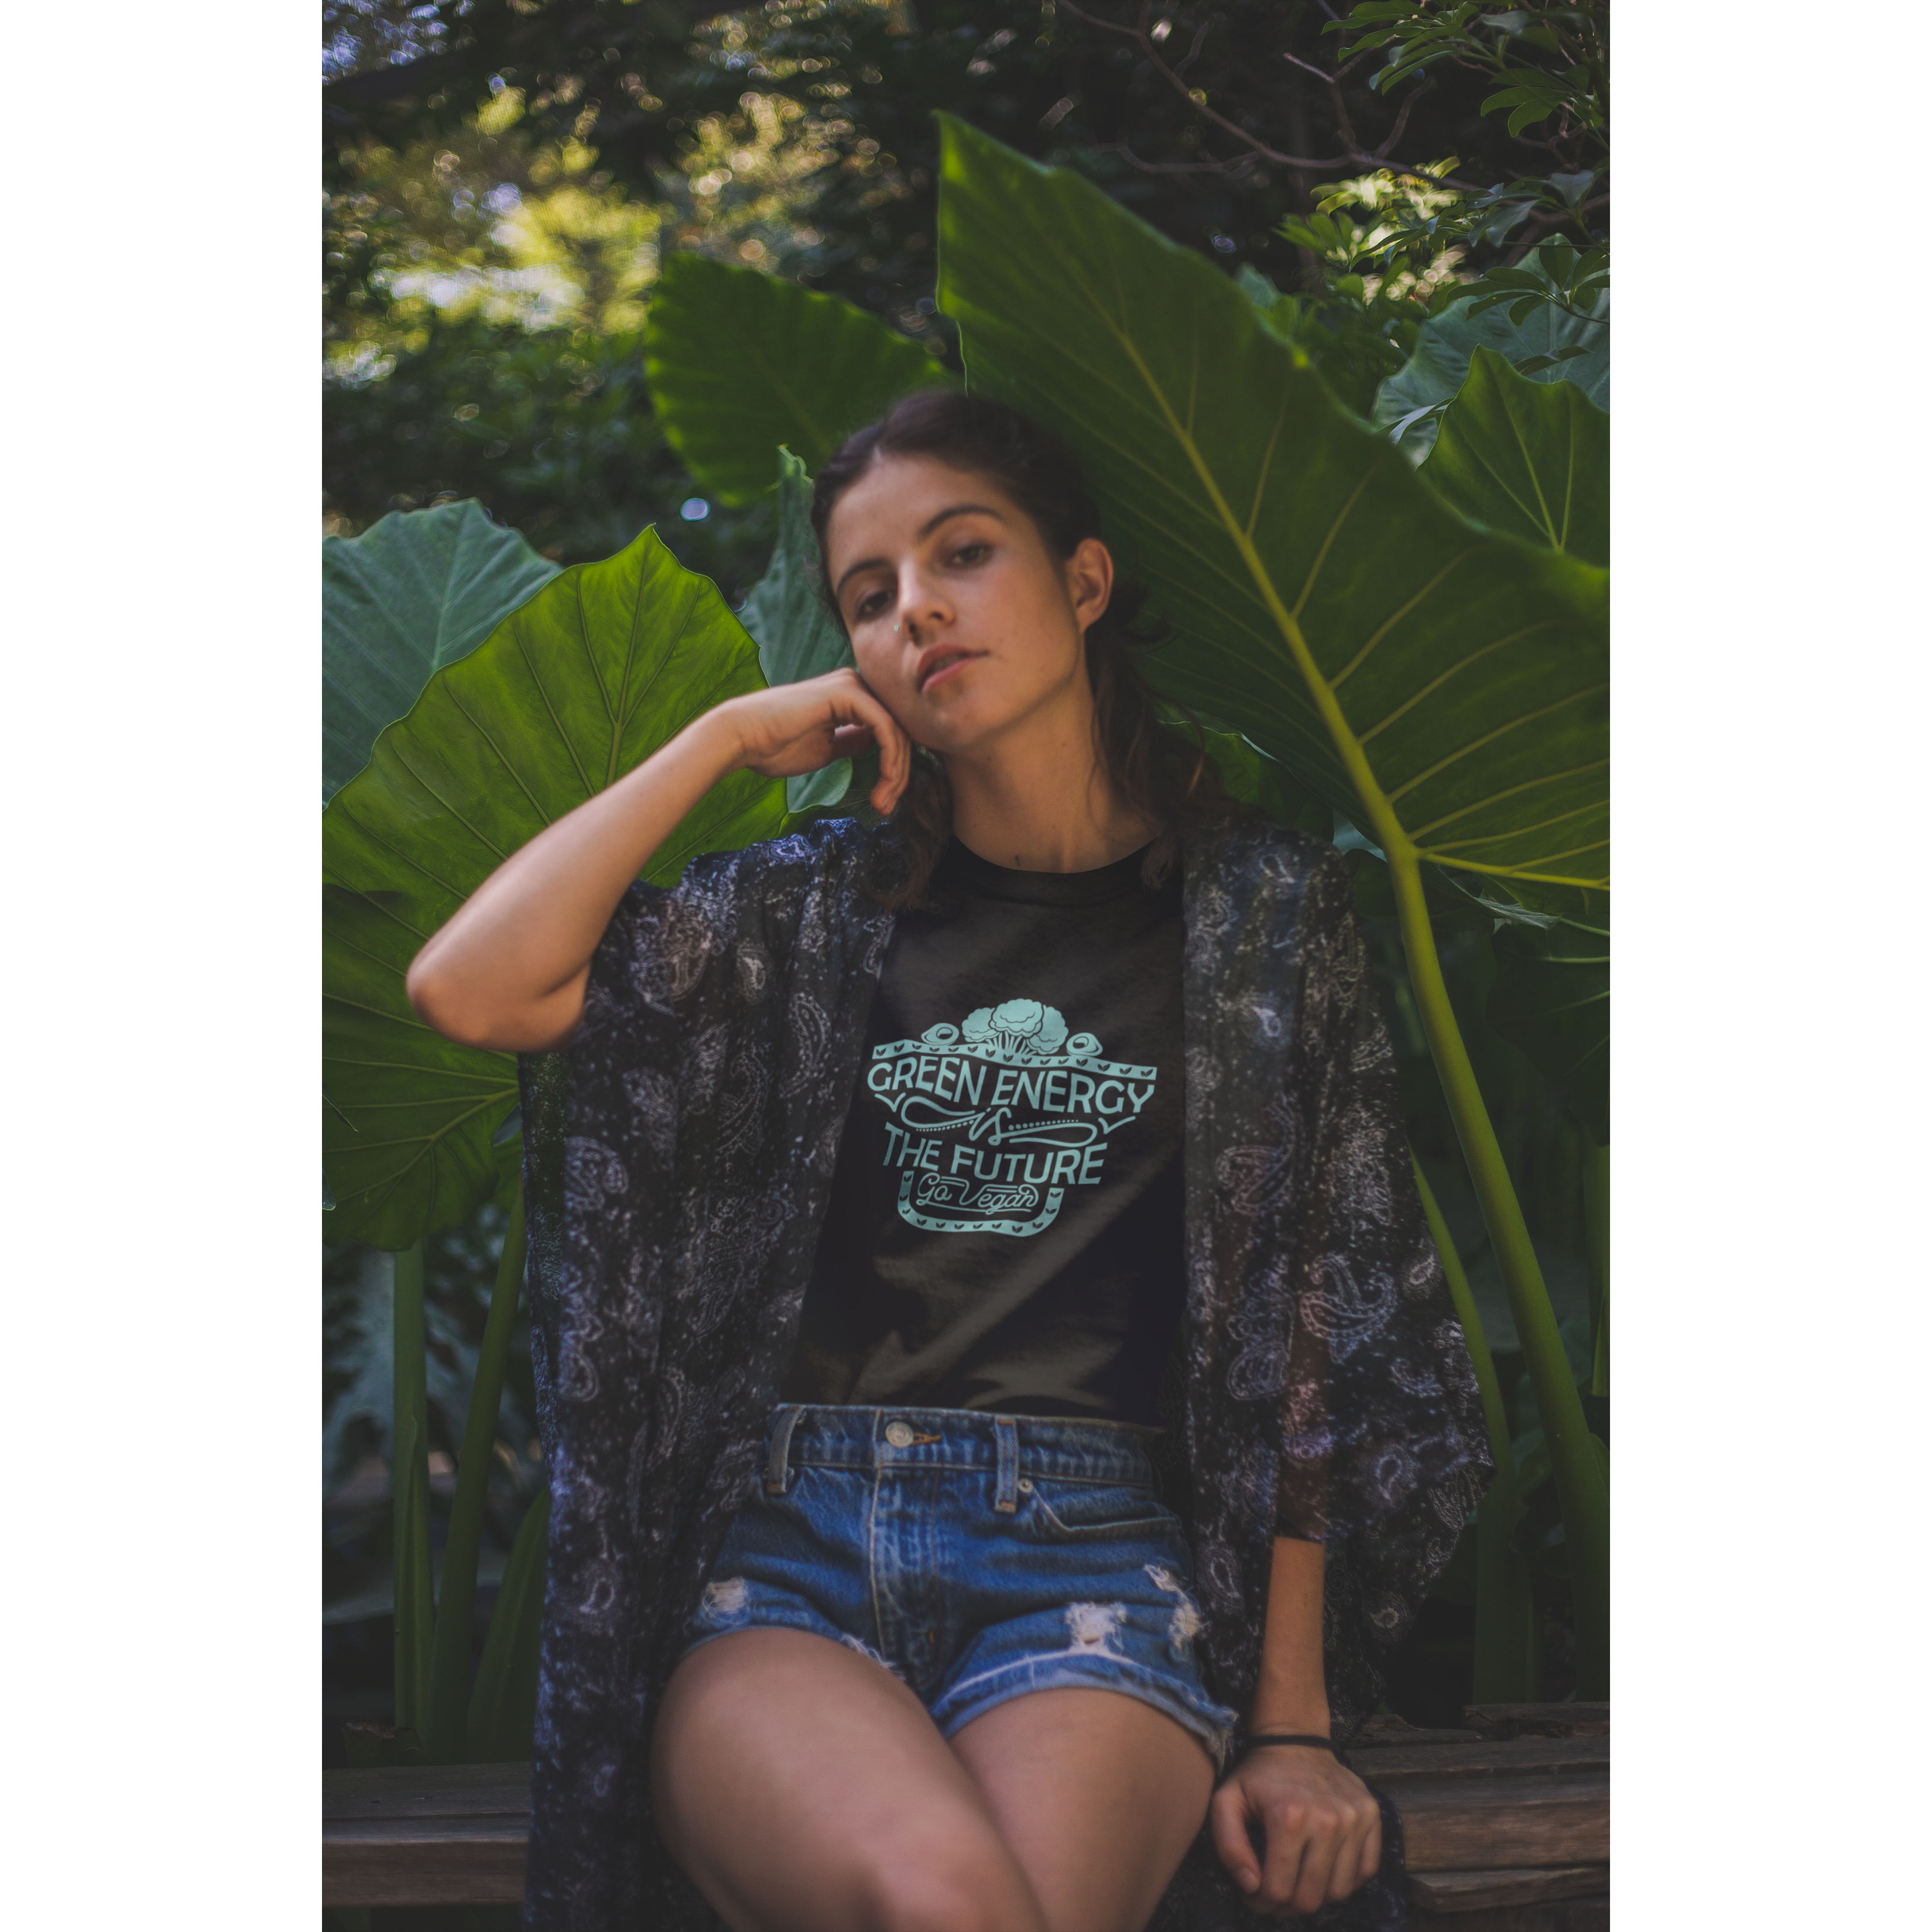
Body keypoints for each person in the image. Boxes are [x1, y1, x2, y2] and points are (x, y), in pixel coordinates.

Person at [408, 391, 1489, 1931]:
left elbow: (1306, 1335)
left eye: (962, 553)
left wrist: (1292, 1724)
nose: (916, 607)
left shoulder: (1256, 916)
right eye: (868, 593)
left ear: (1085, 582)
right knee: (949, 1902)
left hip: (1092, 1556)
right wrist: (719, 741)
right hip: (787, 1560)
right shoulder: (806, 912)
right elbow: (472, 987)